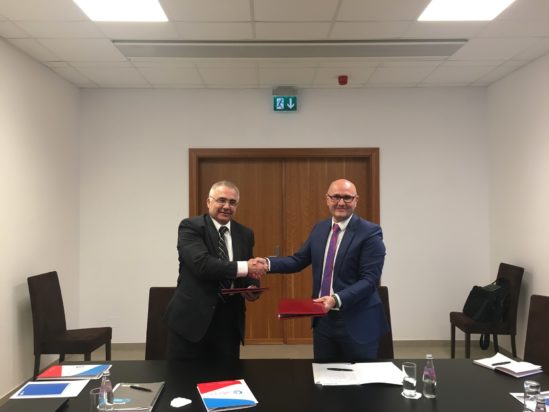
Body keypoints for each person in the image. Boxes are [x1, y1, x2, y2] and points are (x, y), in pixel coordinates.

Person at [267, 178, 388, 362]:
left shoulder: (370, 232)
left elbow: (370, 280)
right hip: (323, 321)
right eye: (336, 197)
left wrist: (335, 299)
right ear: (327, 199)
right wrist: (266, 264)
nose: (341, 202)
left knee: (360, 377)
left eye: (347, 197)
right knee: (324, 374)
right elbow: (298, 261)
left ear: (356, 200)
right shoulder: (320, 229)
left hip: (358, 320)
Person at [165, 180, 267, 360]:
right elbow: (202, 265)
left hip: (229, 322)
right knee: (183, 375)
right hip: (192, 320)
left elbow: (248, 271)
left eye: (232, 202)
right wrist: (246, 267)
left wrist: (252, 287)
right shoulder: (191, 227)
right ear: (208, 202)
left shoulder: (245, 233)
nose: (227, 206)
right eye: (221, 200)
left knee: (227, 375)